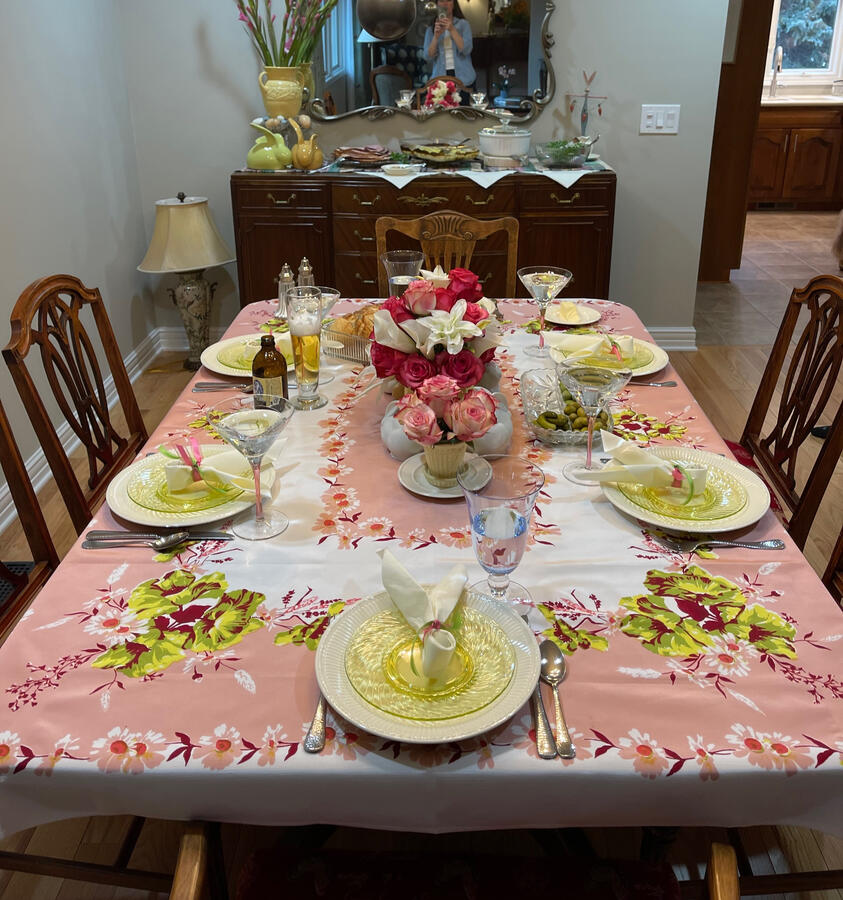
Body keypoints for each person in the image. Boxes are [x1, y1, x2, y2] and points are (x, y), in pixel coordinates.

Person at [423, 0, 475, 103]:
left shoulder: (463, 24)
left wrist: (452, 29)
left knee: (464, 114)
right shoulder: (431, 29)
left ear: (454, 4)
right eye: (442, 1)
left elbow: (467, 50)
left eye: (448, 0)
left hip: (463, 78)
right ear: (437, 5)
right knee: (441, 116)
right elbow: (427, 56)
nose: (445, 4)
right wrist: (436, 37)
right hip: (440, 79)